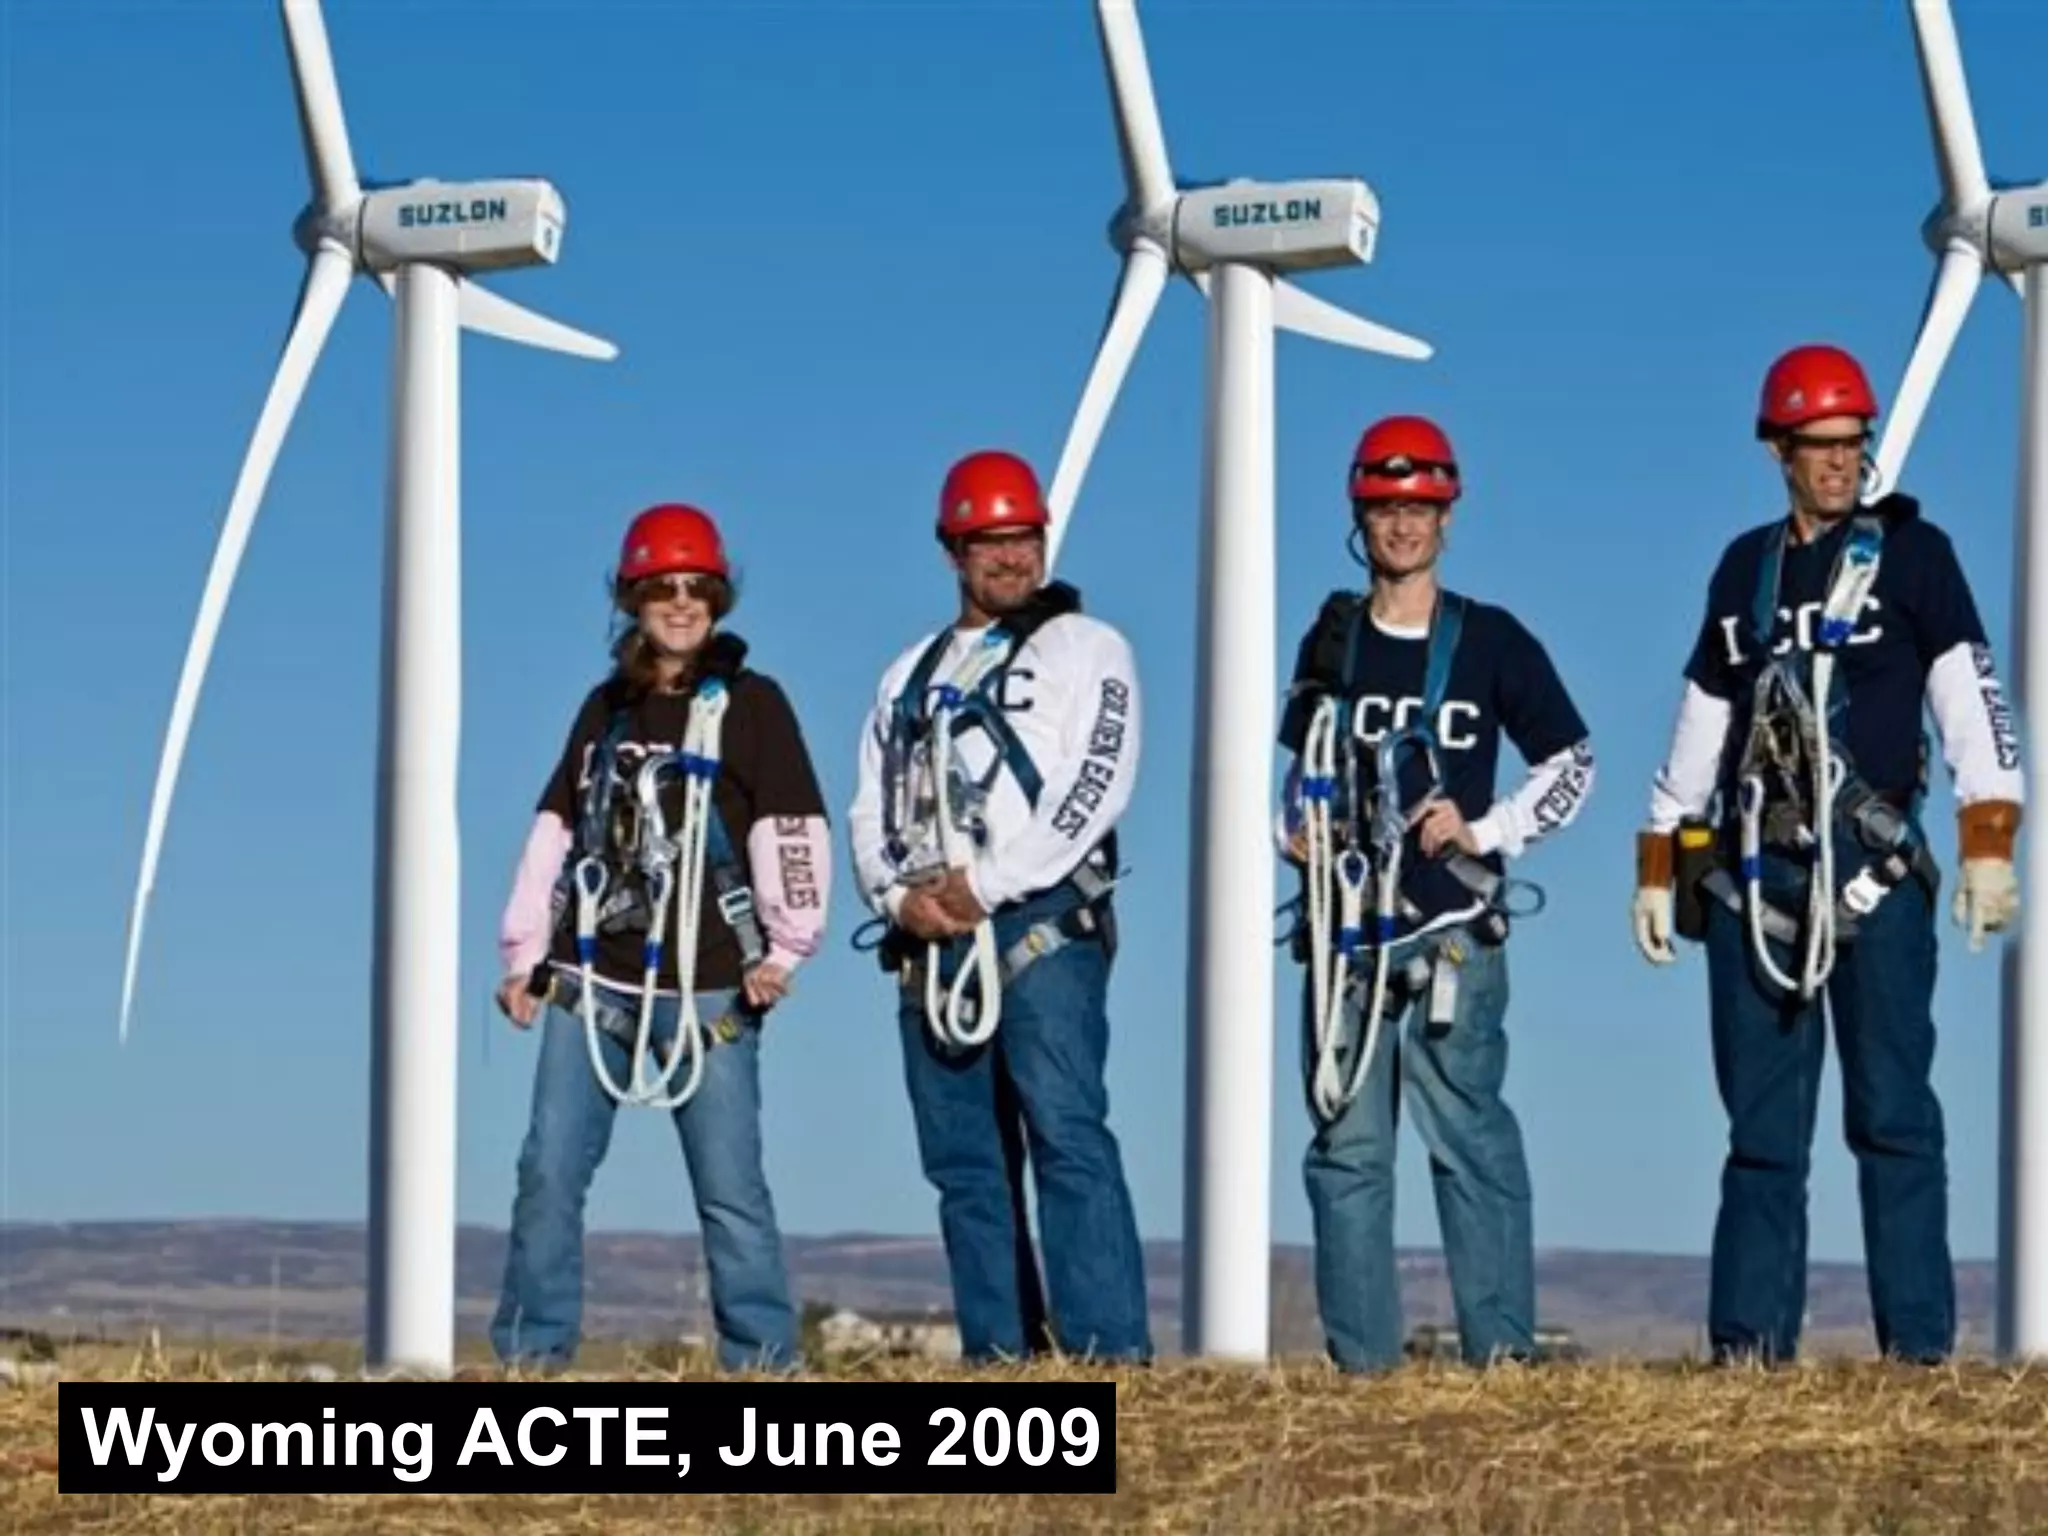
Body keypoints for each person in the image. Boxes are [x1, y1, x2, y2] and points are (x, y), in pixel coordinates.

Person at [1632, 342, 2024, 1365]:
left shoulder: (1913, 558)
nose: (1841, 463)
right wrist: (1658, 852)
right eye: (1820, 447)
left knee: (1893, 1115)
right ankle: (1747, 1351)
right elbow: (1700, 717)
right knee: (1761, 1135)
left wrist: (1989, 833)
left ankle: (1917, 1354)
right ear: (1777, 450)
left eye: (1853, 443)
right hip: (1756, 883)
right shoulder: (1742, 571)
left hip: (1874, 876)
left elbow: (1969, 703)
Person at [1275, 414, 1595, 1374]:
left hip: (1456, 932)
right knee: (1347, 1153)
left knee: (1472, 1142)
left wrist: (1487, 832)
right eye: (1384, 508)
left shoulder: (1493, 640)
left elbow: (1572, 763)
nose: (1402, 527)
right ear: (1358, 516)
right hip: (1347, 937)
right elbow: (1297, 768)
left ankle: (1500, 1361)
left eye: (1418, 509)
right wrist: (1289, 833)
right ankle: (1364, 1374)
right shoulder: (1331, 641)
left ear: (1448, 518)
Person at [488, 502, 833, 1372]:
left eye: (696, 588)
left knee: (730, 1190)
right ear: (632, 600)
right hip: (589, 978)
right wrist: (524, 953)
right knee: (548, 1178)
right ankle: (532, 1360)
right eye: (660, 589)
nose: (680, 604)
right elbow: (555, 829)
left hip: (711, 983)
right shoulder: (605, 711)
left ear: (718, 598)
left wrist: (787, 949)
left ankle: (761, 1365)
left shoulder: (754, 707)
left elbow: (792, 830)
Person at [846, 448, 1152, 1365]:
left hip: (1039, 925)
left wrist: (985, 886)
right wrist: (899, 899)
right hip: (930, 940)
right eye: (990, 541)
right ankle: (999, 1359)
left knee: (1067, 1134)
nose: (1012, 556)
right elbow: (870, 804)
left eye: (1024, 536)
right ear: (953, 550)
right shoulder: (907, 672)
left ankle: (1106, 1359)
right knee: (966, 1169)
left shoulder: (1088, 650)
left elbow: (1093, 786)